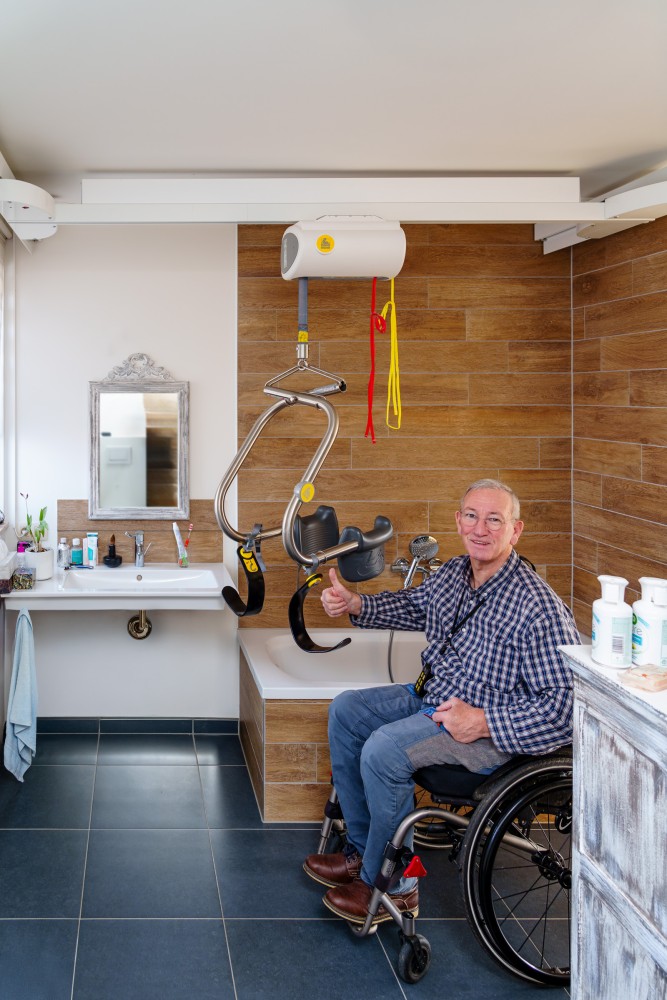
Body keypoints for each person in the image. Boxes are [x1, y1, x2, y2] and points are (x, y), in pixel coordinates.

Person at [303, 478, 581, 925]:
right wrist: (355, 603)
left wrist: (485, 721)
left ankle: (396, 886)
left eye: (495, 520)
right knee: (347, 711)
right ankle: (361, 852)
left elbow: (566, 708)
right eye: (472, 516)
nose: (480, 528)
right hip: (433, 697)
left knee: (384, 750)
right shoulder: (453, 573)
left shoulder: (538, 608)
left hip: (485, 731)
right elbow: (413, 606)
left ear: (515, 530)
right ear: (458, 520)